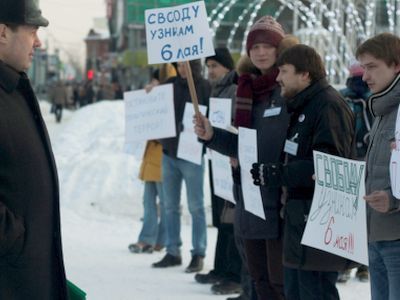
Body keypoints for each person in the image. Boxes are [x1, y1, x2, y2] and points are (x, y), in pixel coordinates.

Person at [194, 16, 299, 300]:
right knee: (258, 281)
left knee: (280, 285)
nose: (261, 52)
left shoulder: (288, 89)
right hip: (249, 199)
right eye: (255, 46)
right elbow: (244, 145)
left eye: (267, 46)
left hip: (278, 203)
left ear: (280, 50)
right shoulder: (248, 88)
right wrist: (212, 134)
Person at [249, 44, 356, 299]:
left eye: (284, 71)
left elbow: (328, 166)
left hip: (320, 220)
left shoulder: (328, 106)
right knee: (297, 291)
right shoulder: (304, 105)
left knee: (315, 291)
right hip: (299, 219)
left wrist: (278, 174)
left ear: (305, 74)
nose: (278, 78)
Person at [0, 0, 68, 299]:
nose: (38, 42)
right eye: (32, 31)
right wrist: (16, 240)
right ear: (2, 33)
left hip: (28, 273)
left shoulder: (13, 88)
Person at [152, 60, 211, 273]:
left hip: (192, 155)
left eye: (185, 65)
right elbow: (156, 106)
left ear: (194, 65)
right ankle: (173, 250)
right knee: (170, 206)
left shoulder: (204, 87)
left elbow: (212, 119)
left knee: (196, 206)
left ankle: (198, 253)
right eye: (179, 65)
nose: (181, 68)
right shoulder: (169, 85)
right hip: (169, 153)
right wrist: (151, 93)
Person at [194, 47, 243, 296]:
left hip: (231, 158)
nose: (210, 71)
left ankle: (234, 273)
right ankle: (221, 267)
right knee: (221, 217)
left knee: (231, 219)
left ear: (227, 66)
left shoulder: (234, 89)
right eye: (208, 66)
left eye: (214, 66)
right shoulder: (218, 89)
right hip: (218, 158)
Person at [356, 32, 400, 300]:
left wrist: (395, 200)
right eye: (363, 67)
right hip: (376, 235)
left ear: (396, 65)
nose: (364, 76)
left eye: (372, 67)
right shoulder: (383, 109)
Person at [128, 64, 177, 254]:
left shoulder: (169, 94)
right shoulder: (156, 94)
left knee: (164, 203)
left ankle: (157, 240)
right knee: (149, 202)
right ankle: (148, 238)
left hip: (162, 154)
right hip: (150, 156)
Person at [337, 62, 371, 283]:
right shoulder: (374, 97)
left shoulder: (343, 97)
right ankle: (359, 263)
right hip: (363, 158)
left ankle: (349, 263)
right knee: (363, 214)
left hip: (350, 159)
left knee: (350, 213)